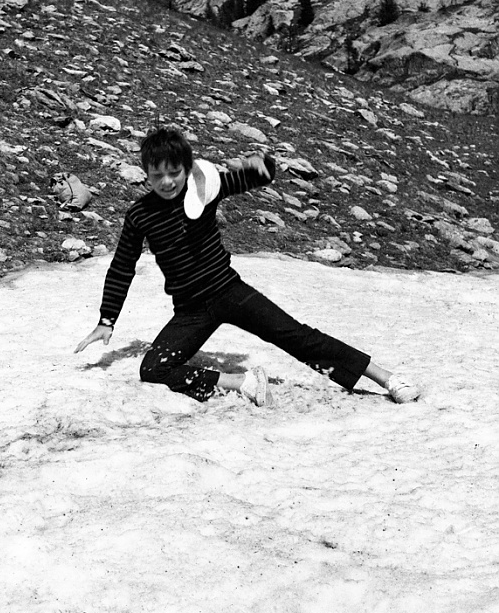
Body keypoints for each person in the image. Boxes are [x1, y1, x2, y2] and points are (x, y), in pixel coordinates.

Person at [75, 126, 421, 407]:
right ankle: (242, 382)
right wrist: (107, 319)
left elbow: (255, 177)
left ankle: (388, 379)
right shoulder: (140, 215)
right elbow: (122, 266)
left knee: (297, 337)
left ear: (186, 169)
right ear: (146, 173)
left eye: (174, 172)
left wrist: (261, 164)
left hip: (229, 291)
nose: (167, 182)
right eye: (157, 175)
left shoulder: (203, 190)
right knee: (153, 369)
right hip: (191, 309)